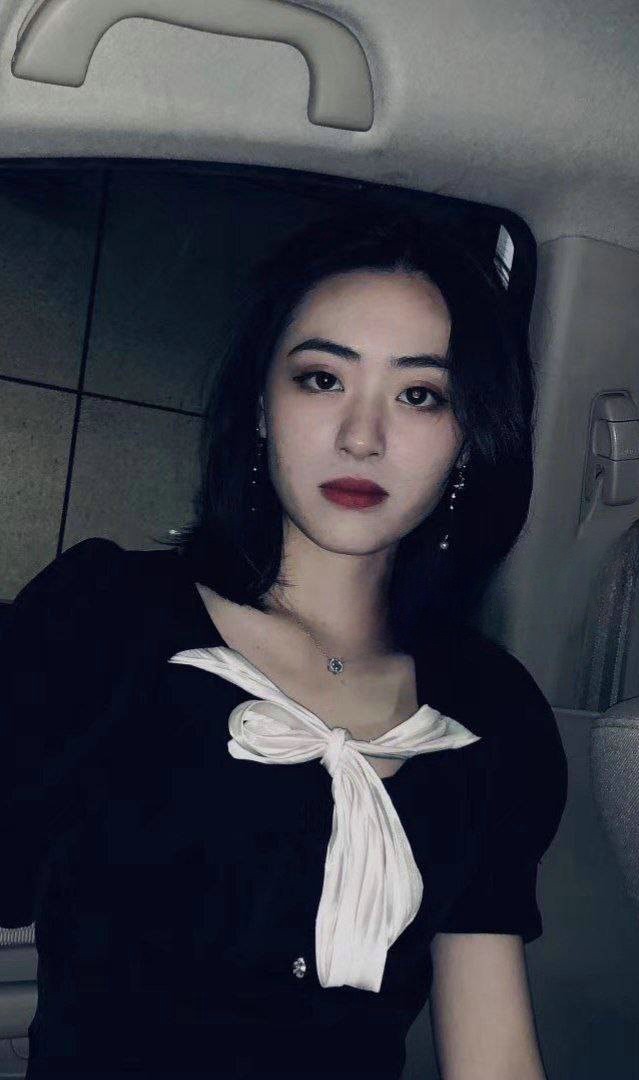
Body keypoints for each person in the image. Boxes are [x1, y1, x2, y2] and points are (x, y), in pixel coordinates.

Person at [0, 205, 568, 1079]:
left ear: (467, 441)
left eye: (420, 395)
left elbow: (492, 1054)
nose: (362, 436)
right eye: (321, 379)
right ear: (261, 409)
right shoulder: (106, 618)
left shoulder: (494, 711)